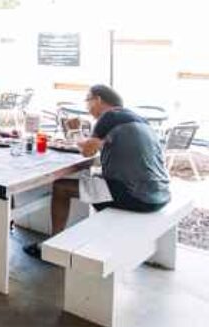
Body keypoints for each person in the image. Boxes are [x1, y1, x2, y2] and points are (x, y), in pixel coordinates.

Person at [24, 84, 172, 259]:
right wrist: (79, 136)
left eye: (87, 101)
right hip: (160, 192)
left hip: (138, 196)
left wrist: (74, 132)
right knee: (94, 179)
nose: (87, 107)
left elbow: (88, 151)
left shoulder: (109, 117)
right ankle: (81, 237)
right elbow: (97, 146)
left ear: (98, 99)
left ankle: (51, 247)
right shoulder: (137, 119)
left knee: (61, 187)